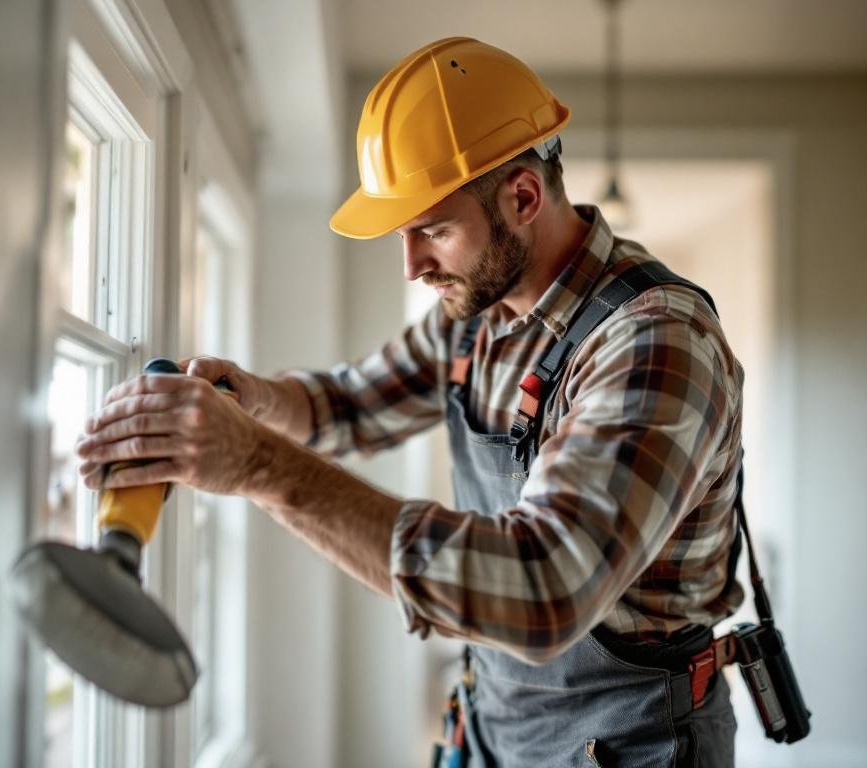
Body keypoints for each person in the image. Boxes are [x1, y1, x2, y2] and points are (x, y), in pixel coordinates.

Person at [76, 37, 744, 767]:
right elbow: (351, 405)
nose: (413, 265)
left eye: (432, 230)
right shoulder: (477, 315)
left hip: (635, 741)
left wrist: (259, 466)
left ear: (522, 196)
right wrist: (254, 401)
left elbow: (543, 589)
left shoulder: (655, 343)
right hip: (497, 720)